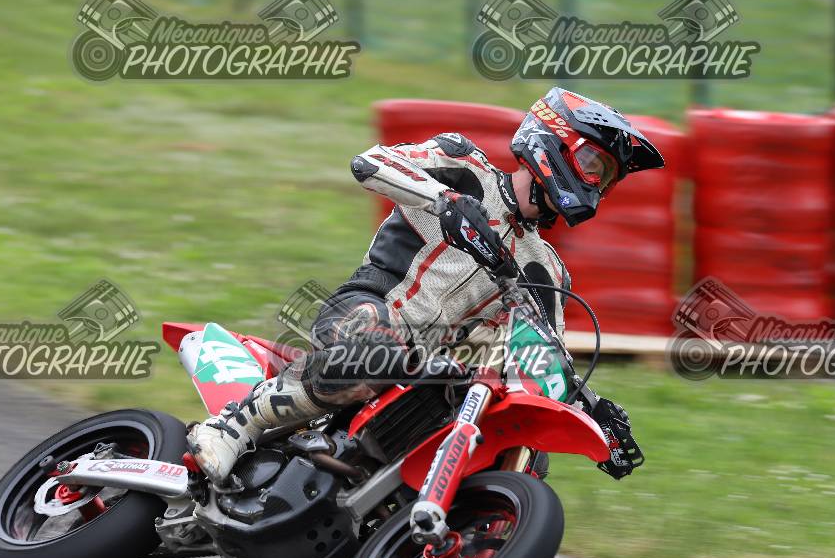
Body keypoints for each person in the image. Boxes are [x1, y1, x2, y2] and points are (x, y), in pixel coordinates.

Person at [188, 86, 664, 491]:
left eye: (608, 177)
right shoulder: (465, 166)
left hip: (431, 371)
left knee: (526, 446)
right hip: (370, 308)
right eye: (594, 164)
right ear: (553, 141)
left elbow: (546, 360)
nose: (598, 183)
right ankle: (236, 423)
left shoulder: (547, 270)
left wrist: (593, 413)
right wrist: (445, 201)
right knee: (376, 349)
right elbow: (370, 162)